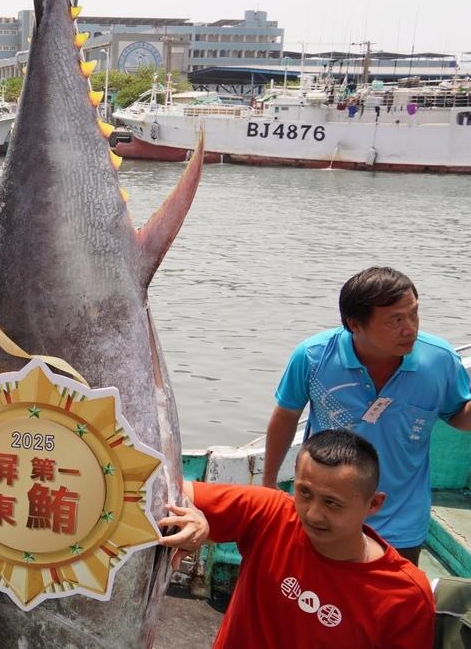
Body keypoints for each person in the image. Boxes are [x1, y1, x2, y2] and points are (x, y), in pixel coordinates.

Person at [261, 266, 471, 563]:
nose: (410, 328)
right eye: (395, 320)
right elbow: (286, 415)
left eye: (413, 314)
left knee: (386, 605)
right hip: (324, 513)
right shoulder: (313, 357)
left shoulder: (439, 361)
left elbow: (457, 415)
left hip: (401, 522)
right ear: (356, 325)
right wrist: (269, 482)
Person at [160, 429, 435, 648]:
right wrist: (194, 516)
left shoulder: (405, 596)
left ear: (373, 504)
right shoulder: (272, 513)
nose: (313, 514)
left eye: (332, 503)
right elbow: (165, 490)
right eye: (304, 493)